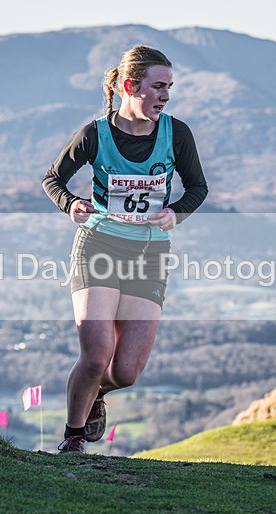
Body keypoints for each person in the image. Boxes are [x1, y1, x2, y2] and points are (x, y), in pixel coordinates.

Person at [43, 45, 208, 453]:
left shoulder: (177, 134)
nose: (166, 95)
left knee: (126, 371)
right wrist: (72, 203)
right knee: (96, 356)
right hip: (98, 245)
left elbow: (198, 187)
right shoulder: (95, 134)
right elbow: (52, 178)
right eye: (158, 86)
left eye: (169, 87)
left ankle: (97, 395)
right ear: (130, 86)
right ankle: (73, 438)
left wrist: (177, 212)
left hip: (149, 255)